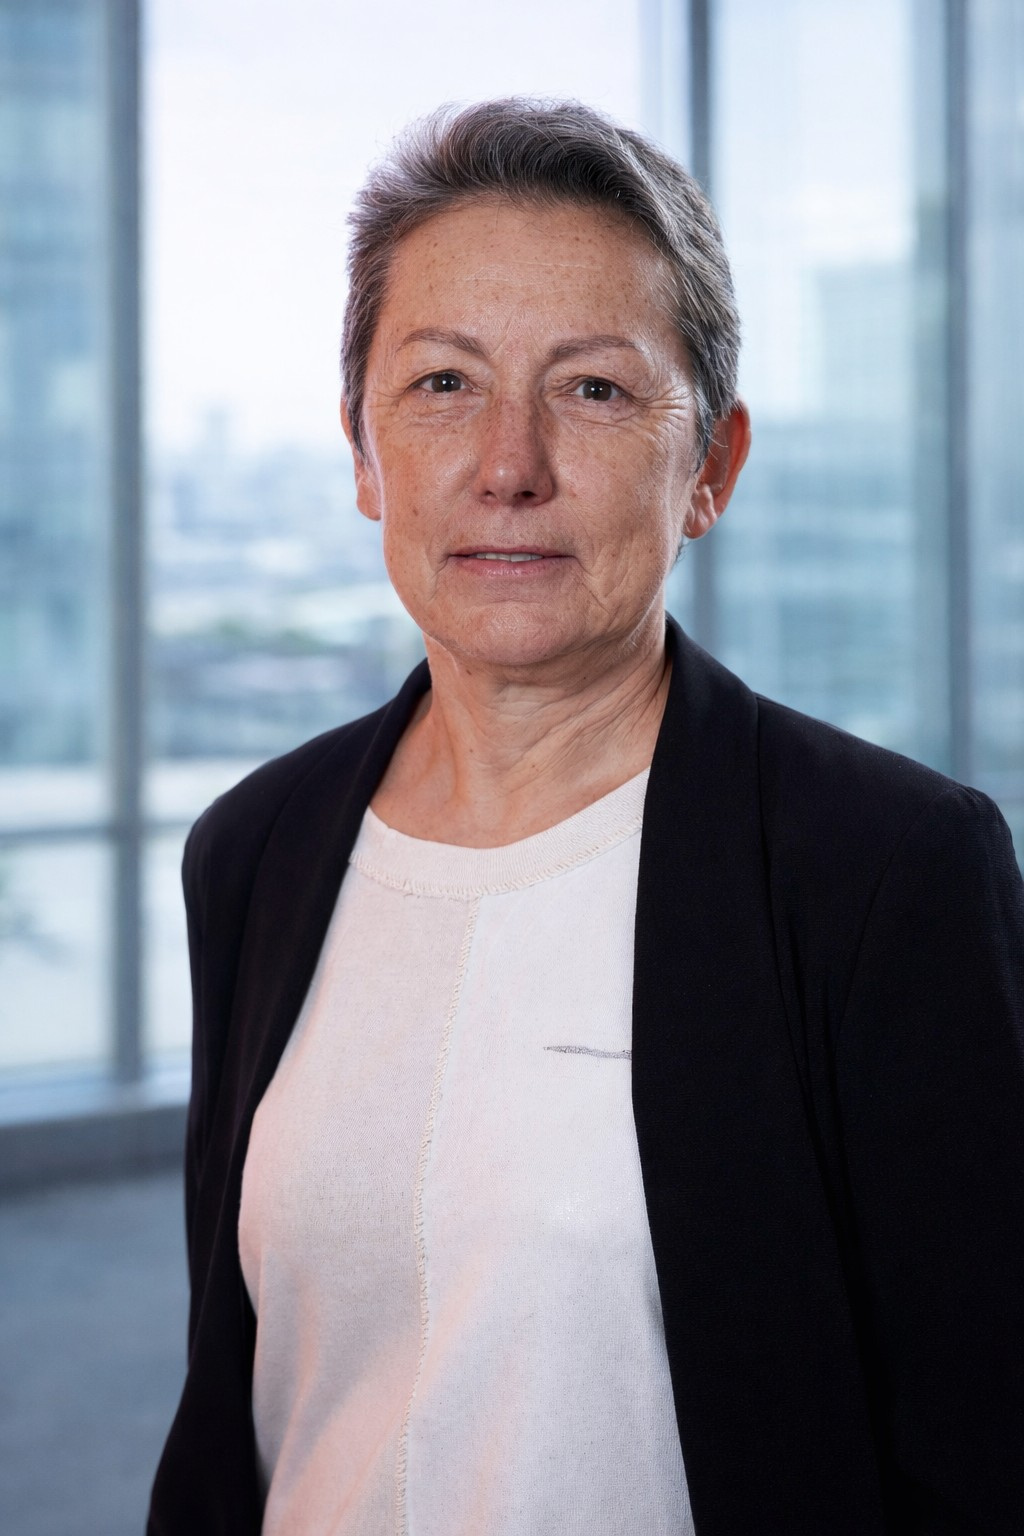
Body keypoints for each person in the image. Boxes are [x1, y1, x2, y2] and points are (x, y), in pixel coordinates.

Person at [148, 99, 1024, 1536]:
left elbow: (983, 1449)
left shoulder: (884, 872)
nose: (510, 464)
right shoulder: (257, 848)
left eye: (597, 390)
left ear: (712, 468)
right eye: (442, 383)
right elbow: (236, 1397)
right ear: (364, 454)